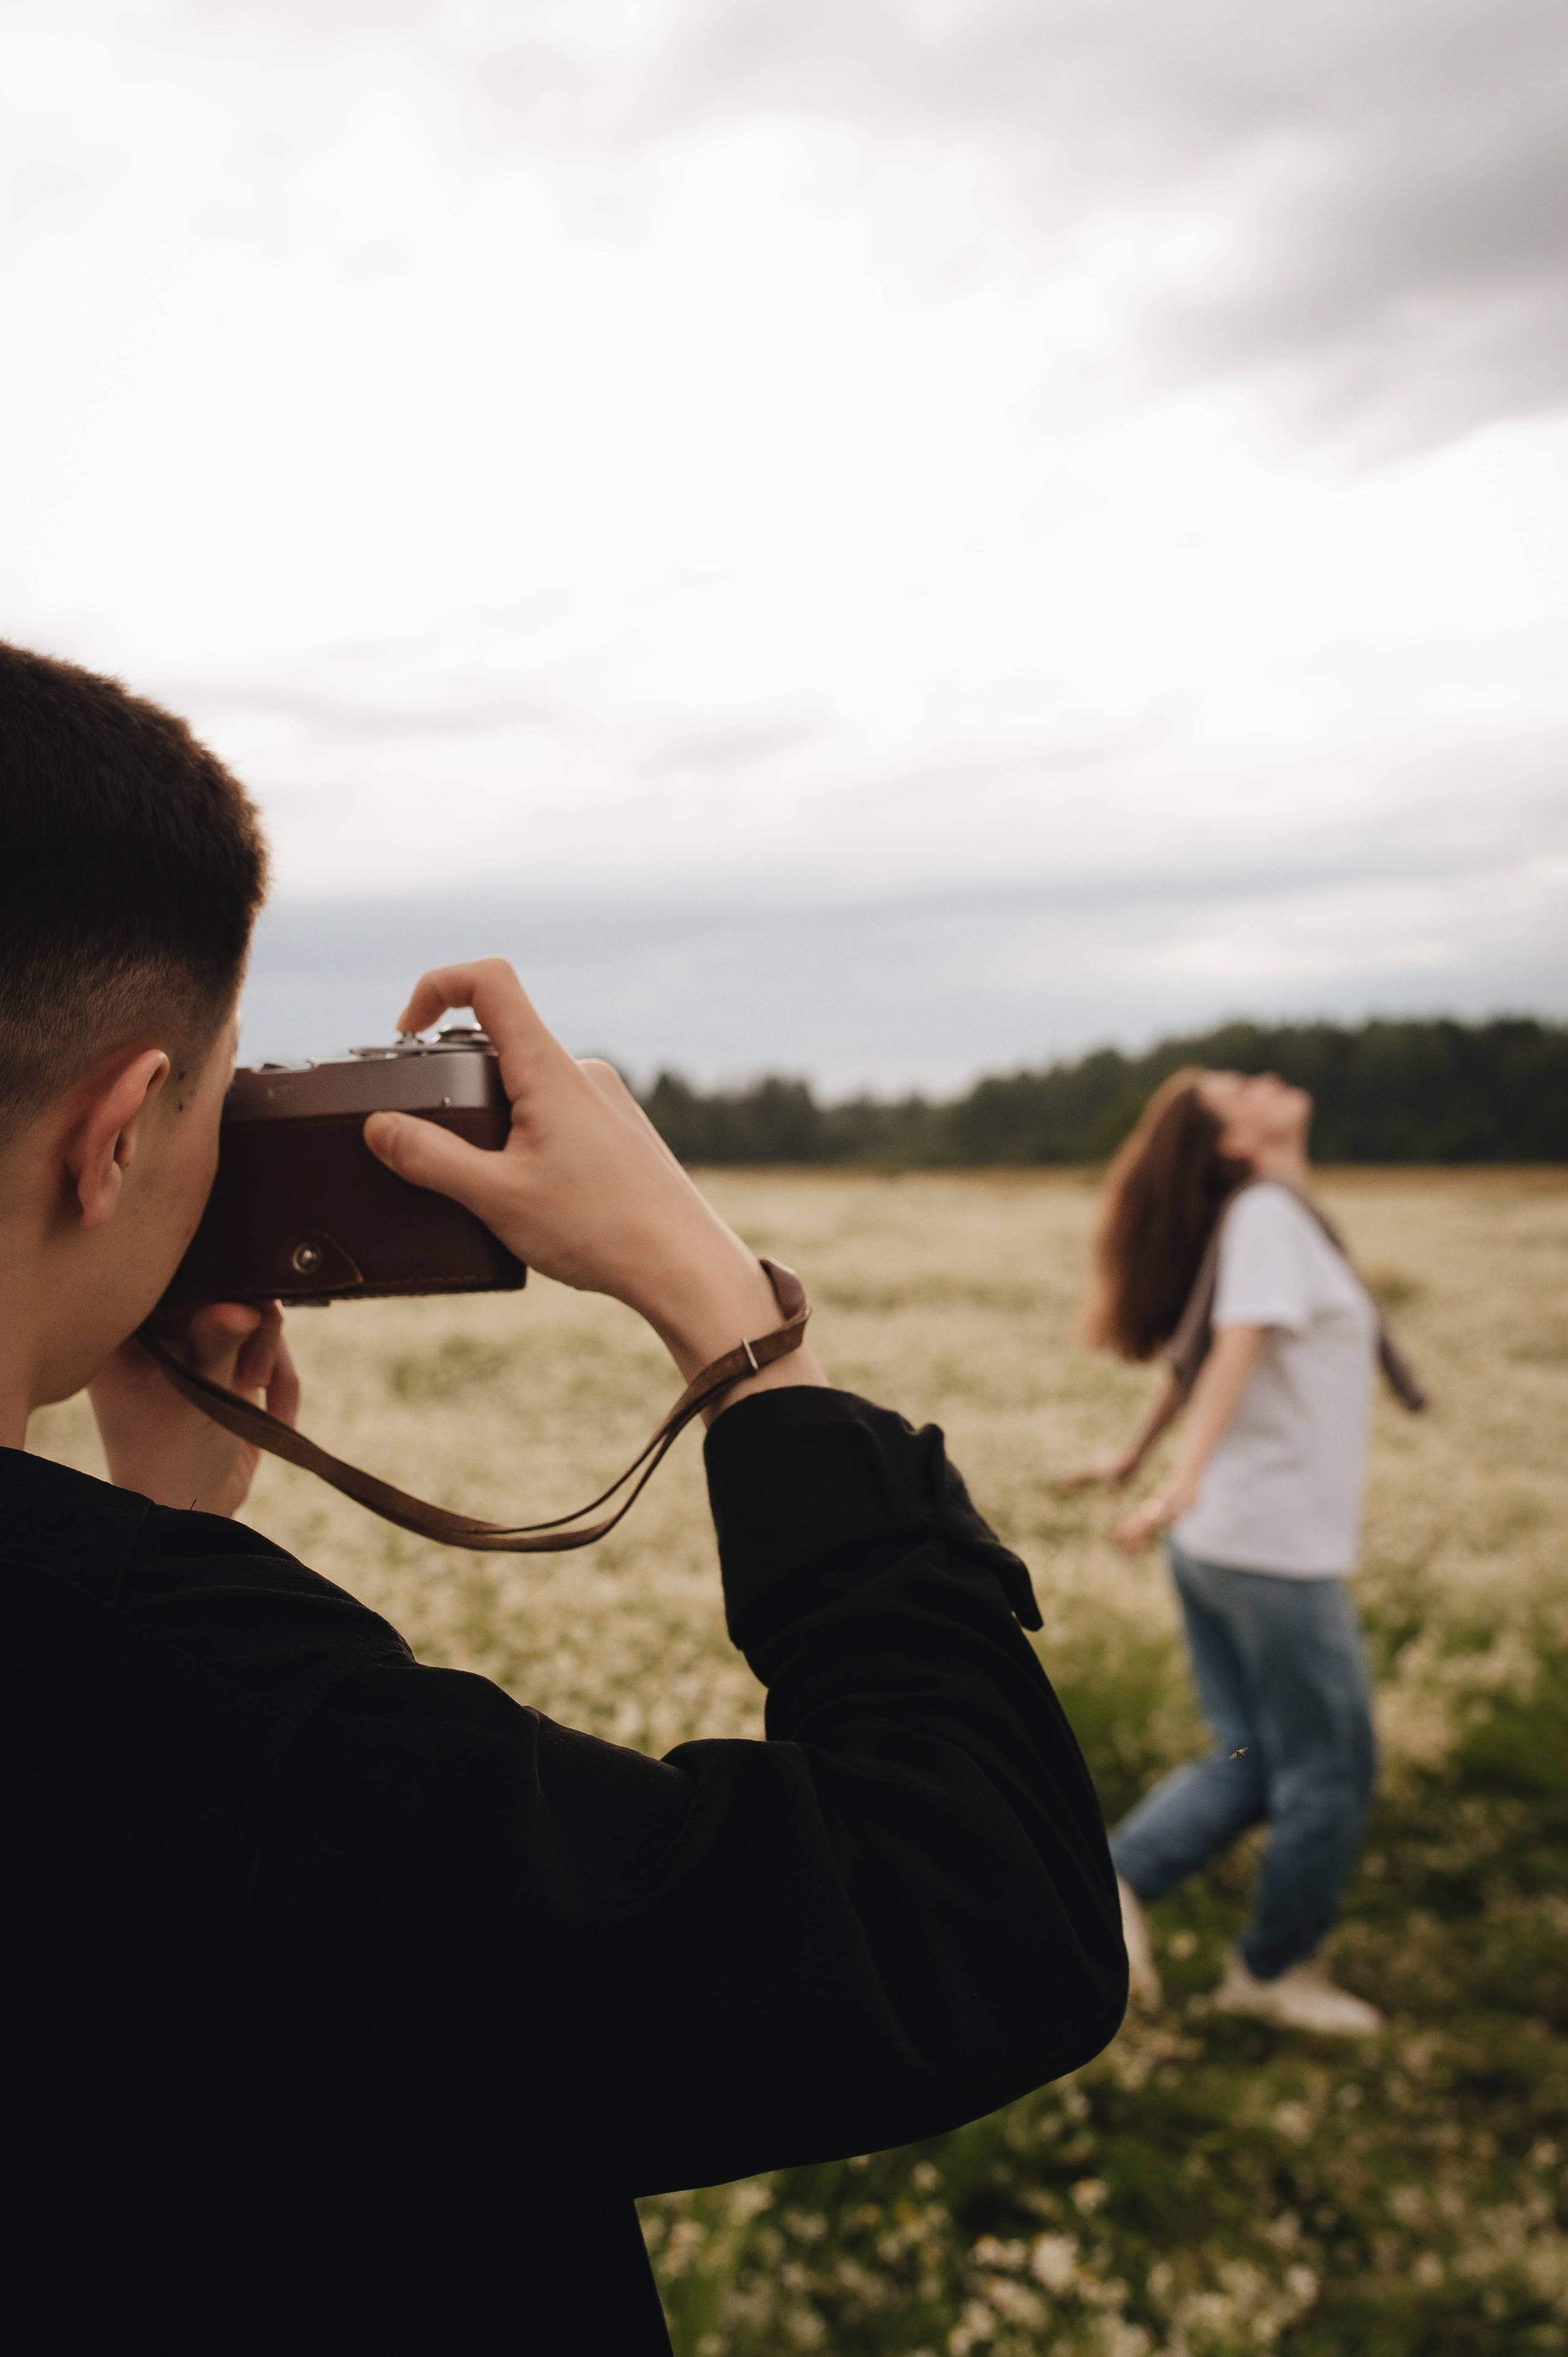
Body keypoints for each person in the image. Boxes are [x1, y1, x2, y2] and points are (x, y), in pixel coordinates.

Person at [0, 640, 1125, 2356]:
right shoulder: (204, 1714)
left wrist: (160, 1527)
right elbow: (979, 1919)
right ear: (121, 1129)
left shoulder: (153, 1694)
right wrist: (733, 1325)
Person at [1063, 1066, 1404, 2038]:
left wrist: (1141, 1461)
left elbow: (1208, 1352)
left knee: (1253, 1757)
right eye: (1239, 1090)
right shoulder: (1265, 1216)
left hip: (1232, 1539)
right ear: (1232, 1145)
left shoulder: (1270, 1215)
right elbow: (1239, 1345)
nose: (1266, 1081)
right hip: (1270, 1548)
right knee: (1332, 1766)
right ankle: (1273, 1971)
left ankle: (1112, 1887)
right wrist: (1180, 1478)